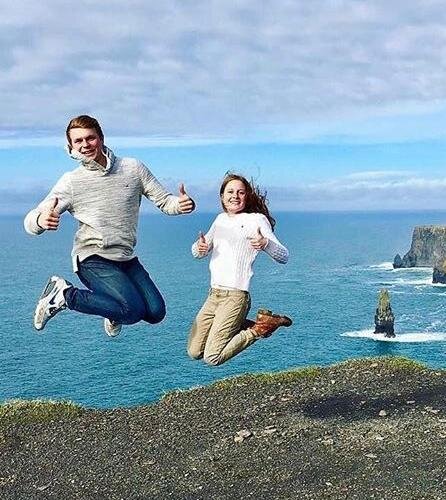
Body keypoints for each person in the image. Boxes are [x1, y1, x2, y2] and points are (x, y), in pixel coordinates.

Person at [24, 114, 195, 337]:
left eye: (90, 138)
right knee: (132, 311)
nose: (85, 145)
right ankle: (64, 295)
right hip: (92, 258)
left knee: (155, 313)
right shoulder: (71, 182)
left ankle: (112, 310)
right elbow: (31, 219)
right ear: (71, 147)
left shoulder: (133, 168)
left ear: (101, 138)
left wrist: (181, 205)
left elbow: (165, 201)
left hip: (125, 258)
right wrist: (41, 221)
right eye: (78, 141)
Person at [187, 173, 291, 366]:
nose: (235, 196)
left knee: (212, 357)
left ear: (247, 196)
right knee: (194, 351)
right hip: (213, 295)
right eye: (230, 192)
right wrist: (199, 248)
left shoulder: (257, 220)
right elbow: (198, 251)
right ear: (222, 196)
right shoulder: (220, 220)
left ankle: (259, 329)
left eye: (240, 192)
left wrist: (265, 243)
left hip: (235, 296)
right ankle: (249, 322)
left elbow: (284, 256)